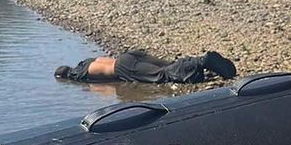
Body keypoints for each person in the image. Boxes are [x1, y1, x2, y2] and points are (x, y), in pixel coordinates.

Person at [54, 50, 236, 84]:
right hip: (128, 56)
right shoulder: (86, 62)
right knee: (170, 65)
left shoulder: (80, 76)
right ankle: (198, 65)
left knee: (163, 75)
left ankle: (202, 62)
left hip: (123, 68)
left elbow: (103, 91)